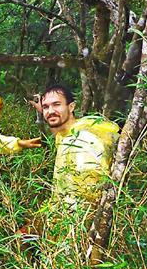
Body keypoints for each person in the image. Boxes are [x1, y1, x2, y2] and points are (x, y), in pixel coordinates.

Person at [29, 84, 120, 213]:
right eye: (46, 107)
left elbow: (88, 193)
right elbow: (57, 129)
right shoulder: (65, 136)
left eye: (56, 105)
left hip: (76, 221)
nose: (50, 111)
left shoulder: (82, 140)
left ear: (71, 107)